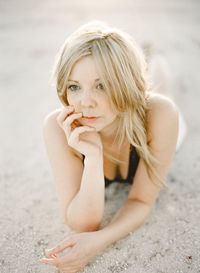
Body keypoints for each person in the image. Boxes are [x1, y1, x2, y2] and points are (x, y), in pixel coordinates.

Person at [40, 21, 184, 273]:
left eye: (102, 85)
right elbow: (82, 222)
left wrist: (100, 240)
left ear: (123, 83)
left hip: (156, 119)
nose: (86, 103)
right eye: (74, 86)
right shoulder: (57, 127)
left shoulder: (159, 116)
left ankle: (154, 56)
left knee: (164, 88)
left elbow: (141, 200)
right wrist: (93, 157)